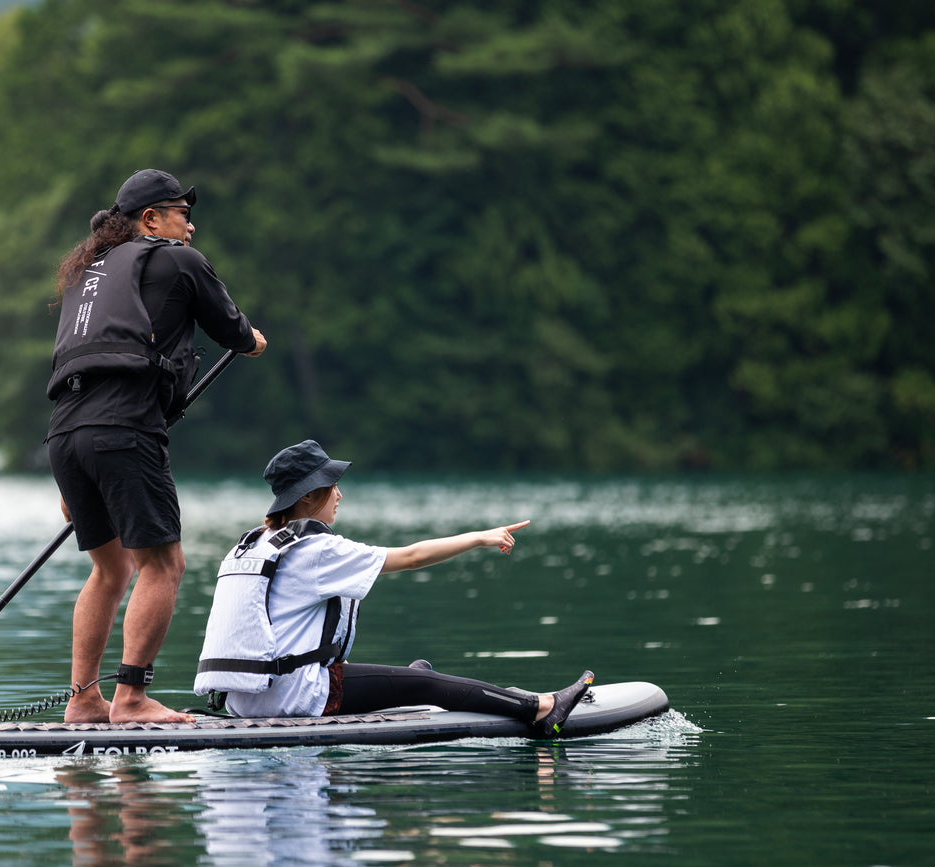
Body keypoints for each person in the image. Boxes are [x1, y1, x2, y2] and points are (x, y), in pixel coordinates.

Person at [47, 168, 266, 724]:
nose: (190, 229)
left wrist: (75, 475)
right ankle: (131, 698)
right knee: (163, 563)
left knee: (109, 569)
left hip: (65, 436)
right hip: (123, 431)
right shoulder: (178, 261)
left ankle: (84, 701)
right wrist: (253, 341)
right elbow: (234, 330)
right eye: (182, 215)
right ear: (151, 220)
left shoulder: (84, 275)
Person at [195, 440, 594, 736]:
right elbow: (414, 556)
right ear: (310, 495)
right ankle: (540, 707)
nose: (339, 494)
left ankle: (407, 680)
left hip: (242, 699)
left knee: (407, 675)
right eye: (333, 485)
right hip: (292, 698)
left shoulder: (251, 544)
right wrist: (479, 537)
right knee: (423, 683)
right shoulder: (316, 548)